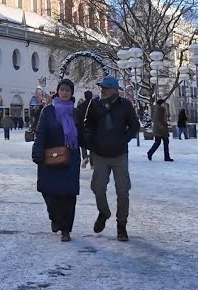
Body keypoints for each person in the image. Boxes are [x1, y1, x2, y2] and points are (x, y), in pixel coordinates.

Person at [79, 76, 140, 241]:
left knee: (122, 191)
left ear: (115, 90)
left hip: (119, 155)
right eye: (101, 87)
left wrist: (123, 139)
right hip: (99, 154)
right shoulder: (95, 103)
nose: (102, 90)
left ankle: (122, 225)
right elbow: (86, 124)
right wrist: (91, 142)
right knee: (98, 188)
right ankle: (104, 212)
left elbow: (135, 125)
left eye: (106, 88)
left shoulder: (124, 105)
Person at [32, 79, 83, 242]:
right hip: (50, 158)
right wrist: (37, 151)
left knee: (68, 196)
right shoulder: (48, 111)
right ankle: (54, 217)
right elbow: (40, 133)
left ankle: (66, 229)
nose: (65, 93)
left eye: (68, 90)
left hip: (70, 157)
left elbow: (83, 134)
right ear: (58, 91)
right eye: (62, 90)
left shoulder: (76, 113)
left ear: (71, 93)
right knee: (49, 192)